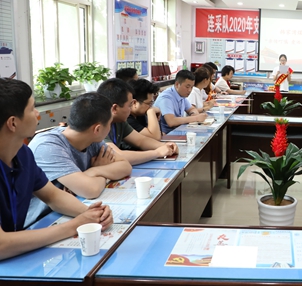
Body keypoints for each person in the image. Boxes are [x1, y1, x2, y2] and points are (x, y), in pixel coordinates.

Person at [0, 79, 113, 261]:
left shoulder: (22, 154)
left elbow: (53, 196)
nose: (37, 113)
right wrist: (75, 225)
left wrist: (91, 214)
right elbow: (1, 245)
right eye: (32, 109)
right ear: (13, 123)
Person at [97, 79, 179, 164]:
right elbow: (118, 156)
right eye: (130, 105)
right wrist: (157, 153)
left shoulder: (119, 121)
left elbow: (141, 141)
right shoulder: (98, 125)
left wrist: (166, 146)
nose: (131, 109)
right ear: (115, 108)